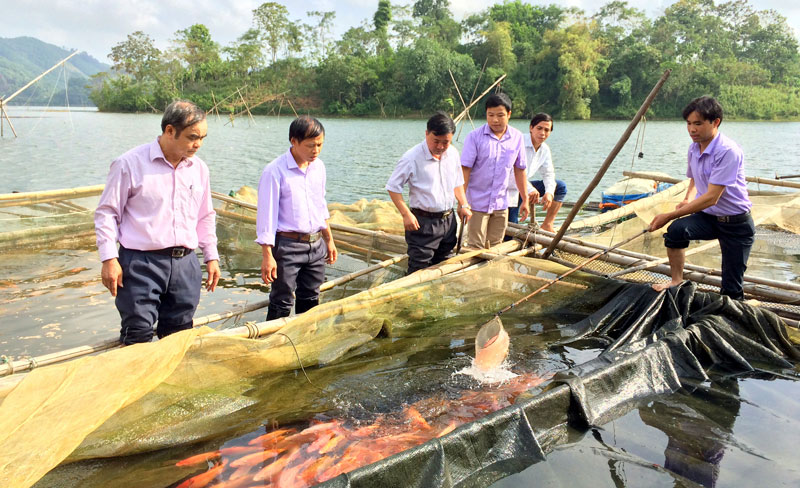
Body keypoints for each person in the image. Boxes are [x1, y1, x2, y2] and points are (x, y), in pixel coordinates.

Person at [95, 100, 221, 345]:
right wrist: (109, 259)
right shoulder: (129, 164)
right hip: (141, 264)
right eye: (192, 137)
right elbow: (107, 213)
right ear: (169, 131)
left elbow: (205, 215)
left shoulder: (199, 169)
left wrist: (211, 256)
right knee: (138, 334)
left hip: (185, 264)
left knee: (179, 335)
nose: (198, 144)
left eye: (203, 137)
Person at [649, 96, 754, 300]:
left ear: (715, 122)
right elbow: (694, 178)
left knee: (731, 290)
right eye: (688, 124)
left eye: (698, 123)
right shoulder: (694, 148)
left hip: (735, 223)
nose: (692, 129)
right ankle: (676, 281)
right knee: (676, 232)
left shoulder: (728, 151)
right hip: (709, 218)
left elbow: (711, 198)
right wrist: (688, 197)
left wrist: (669, 214)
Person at [256, 116, 338, 320]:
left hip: (315, 244)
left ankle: (304, 341)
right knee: (282, 300)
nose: (316, 150)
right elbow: (266, 216)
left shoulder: (318, 167)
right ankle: (273, 345)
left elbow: (321, 205)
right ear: (294, 141)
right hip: (288, 245)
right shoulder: (275, 171)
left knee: (311, 297)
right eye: (310, 145)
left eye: (320, 145)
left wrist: (329, 240)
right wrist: (268, 255)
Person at [386, 112, 472, 274]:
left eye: (445, 142)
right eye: (436, 141)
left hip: (448, 220)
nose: (440, 146)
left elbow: (458, 183)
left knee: (444, 264)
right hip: (423, 223)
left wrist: (463, 204)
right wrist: (406, 214)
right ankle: (413, 298)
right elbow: (393, 187)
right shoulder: (412, 157)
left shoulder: (452, 153)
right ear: (426, 134)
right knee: (419, 268)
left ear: (451, 138)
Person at [461, 93, 529, 249]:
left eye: (500, 115)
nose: (495, 120)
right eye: (490, 115)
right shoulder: (474, 137)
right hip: (476, 204)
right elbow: (465, 170)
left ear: (509, 114)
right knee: (475, 247)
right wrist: (462, 203)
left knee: (496, 246)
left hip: (501, 203)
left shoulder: (517, 137)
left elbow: (520, 170)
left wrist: (524, 199)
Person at [507, 113, 567, 232]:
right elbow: (512, 172)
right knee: (510, 231)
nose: (542, 133)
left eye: (547, 130)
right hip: (509, 189)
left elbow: (548, 174)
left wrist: (549, 192)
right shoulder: (518, 142)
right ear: (531, 128)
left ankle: (547, 224)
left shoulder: (544, 149)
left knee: (559, 187)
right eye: (539, 128)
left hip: (524, 187)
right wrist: (530, 189)